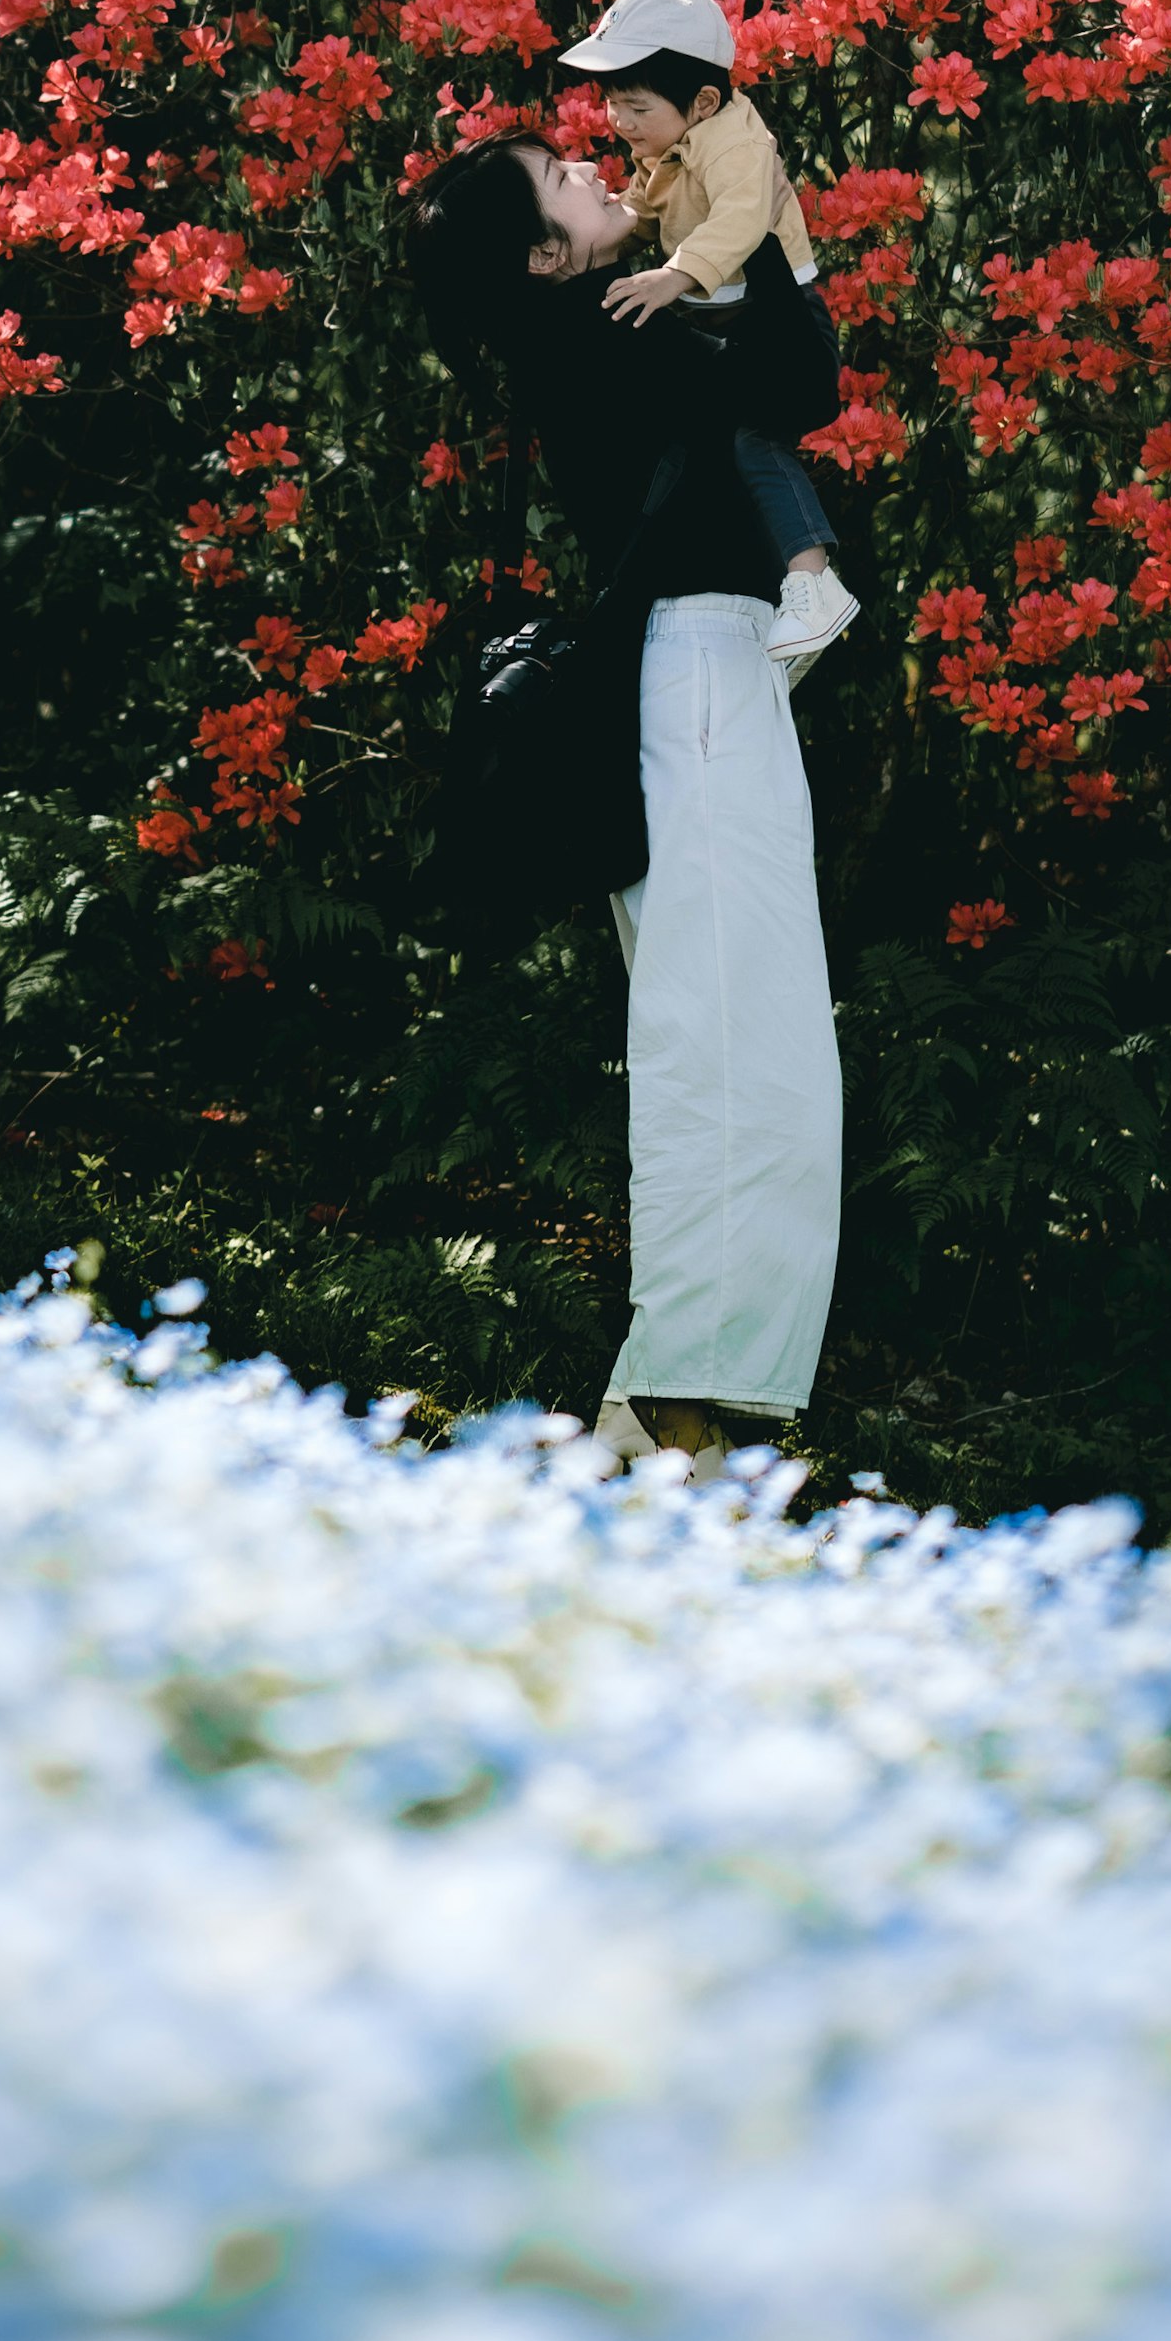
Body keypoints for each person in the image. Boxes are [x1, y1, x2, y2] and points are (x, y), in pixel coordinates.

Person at [409, 125, 846, 1468]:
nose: (599, 171)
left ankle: (673, 1408)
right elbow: (798, 376)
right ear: (546, 256)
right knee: (731, 1041)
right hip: (699, 685)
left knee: (734, 1035)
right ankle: (678, 1413)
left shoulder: (587, 336)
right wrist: (750, 202)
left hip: (705, 680)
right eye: (565, 184)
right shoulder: (603, 333)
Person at [558, 0, 860, 677]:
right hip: (727, 310)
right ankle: (789, 602)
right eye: (611, 103)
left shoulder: (735, 143)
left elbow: (739, 221)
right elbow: (642, 208)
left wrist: (672, 276)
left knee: (757, 440)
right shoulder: (671, 140)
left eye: (635, 105)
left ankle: (815, 584)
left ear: (702, 101)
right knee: (725, 448)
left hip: (782, 322)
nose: (618, 121)